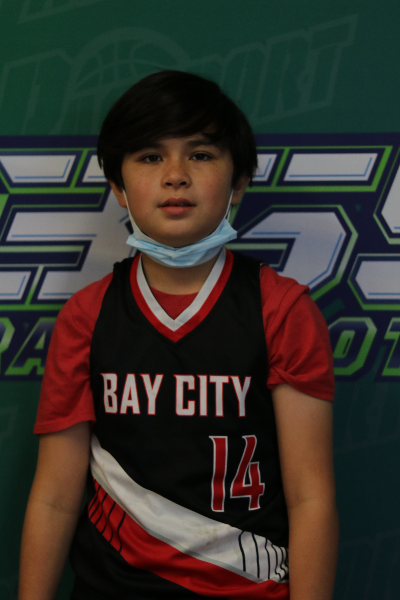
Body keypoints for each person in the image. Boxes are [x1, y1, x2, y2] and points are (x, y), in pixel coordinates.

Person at [19, 70, 338, 600]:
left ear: (239, 181)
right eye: (150, 157)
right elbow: (54, 497)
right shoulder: (87, 316)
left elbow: (312, 499)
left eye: (201, 154)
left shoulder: (282, 310)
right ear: (118, 187)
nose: (175, 176)